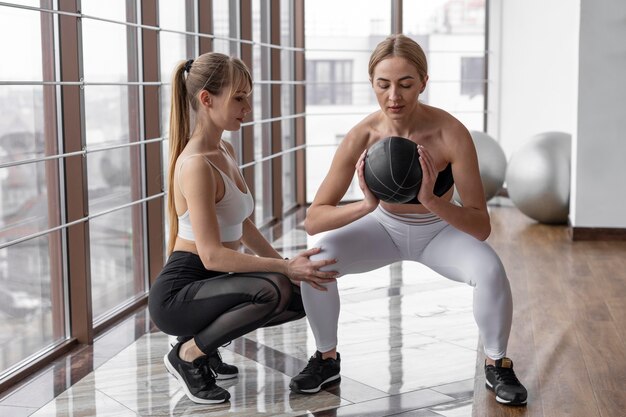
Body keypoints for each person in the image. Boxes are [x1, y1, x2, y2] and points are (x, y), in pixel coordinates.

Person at [289, 34, 528, 407]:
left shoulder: (450, 133)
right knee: (316, 260)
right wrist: (366, 205)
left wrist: (432, 201)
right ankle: (326, 359)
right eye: (383, 85)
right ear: (372, 83)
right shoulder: (362, 136)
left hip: (440, 232)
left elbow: (481, 226)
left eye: (405, 84)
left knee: (491, 271)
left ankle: (497, 363)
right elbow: (314, 220)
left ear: (424, 82)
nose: (394, 97)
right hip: (381, 226)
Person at [148, 52, 338, 405]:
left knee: (302, 294)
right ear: (207, 99)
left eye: (247, 97)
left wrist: (288, 265)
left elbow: (242, 223)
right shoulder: (195, 165)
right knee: (272, 290)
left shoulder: (225, 148)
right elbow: (212, 255)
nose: (247, 106)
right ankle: (189, 354)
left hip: (211, 283)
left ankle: (206, 344)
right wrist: (283, 267)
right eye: (238, 97)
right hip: (181, 292)